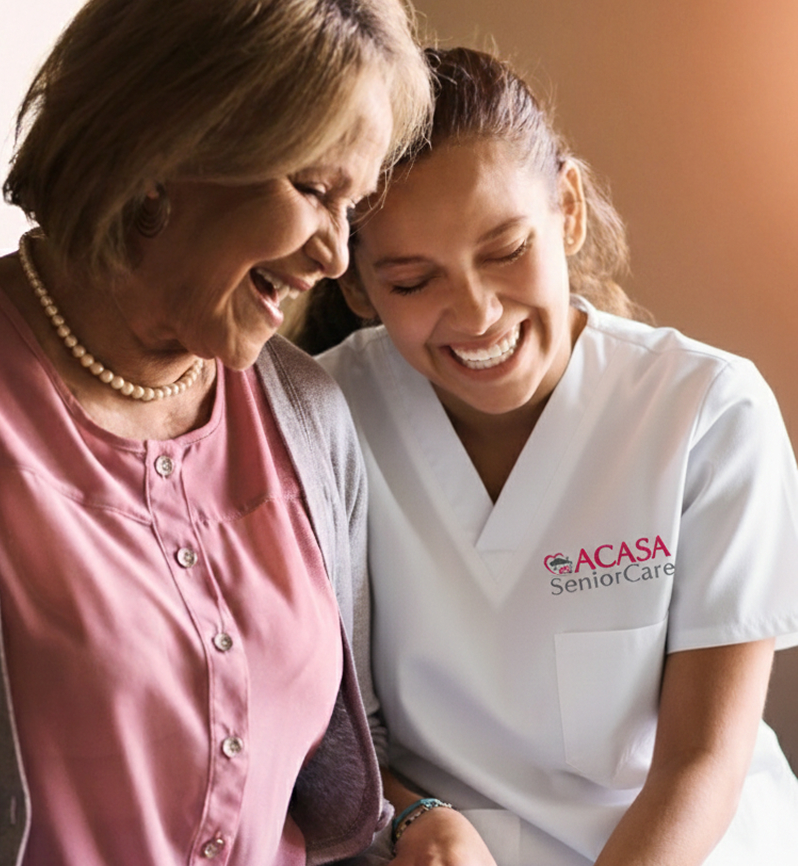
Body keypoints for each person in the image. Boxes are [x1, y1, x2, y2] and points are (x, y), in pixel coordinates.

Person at [0, 2, 433, 864]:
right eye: (312, 190)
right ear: (165, 149)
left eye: (353, 205)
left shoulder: (308, 414)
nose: (336, 255)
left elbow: (326, 766)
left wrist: (415, 823)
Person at [301, 47, 798, 865]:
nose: (475, 313)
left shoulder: (707, 411)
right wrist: (414, 817)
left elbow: (700, 762)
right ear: (357, 288)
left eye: (503, 251)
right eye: (412, 281)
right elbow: (313, 722)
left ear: (565, 208)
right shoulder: (320, 415)